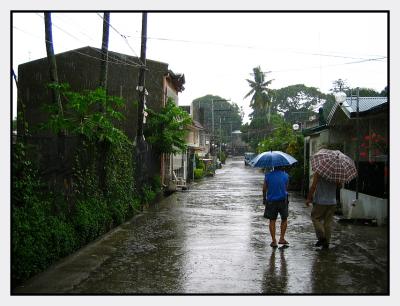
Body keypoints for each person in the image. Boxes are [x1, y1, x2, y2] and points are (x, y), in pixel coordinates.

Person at [306, 172, 341, 249]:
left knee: (315, 218)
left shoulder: (319, 172)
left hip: (320, 201)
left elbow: (313, 186)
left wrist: (309, 198)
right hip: (332, 201)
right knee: (328, 222)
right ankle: (327, 243)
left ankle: (322, 237)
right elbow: (339, 186)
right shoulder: (336, 172)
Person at [263, 166, 289, 248]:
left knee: (272, 220)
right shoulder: (286, 175)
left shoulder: (268, 175)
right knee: (284, 219)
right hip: (282, 200)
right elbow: (286, 188)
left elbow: (264, 189)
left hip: (271, 201)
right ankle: (281, 238)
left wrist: (264, 198)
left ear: (274, 167)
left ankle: (274, 241)